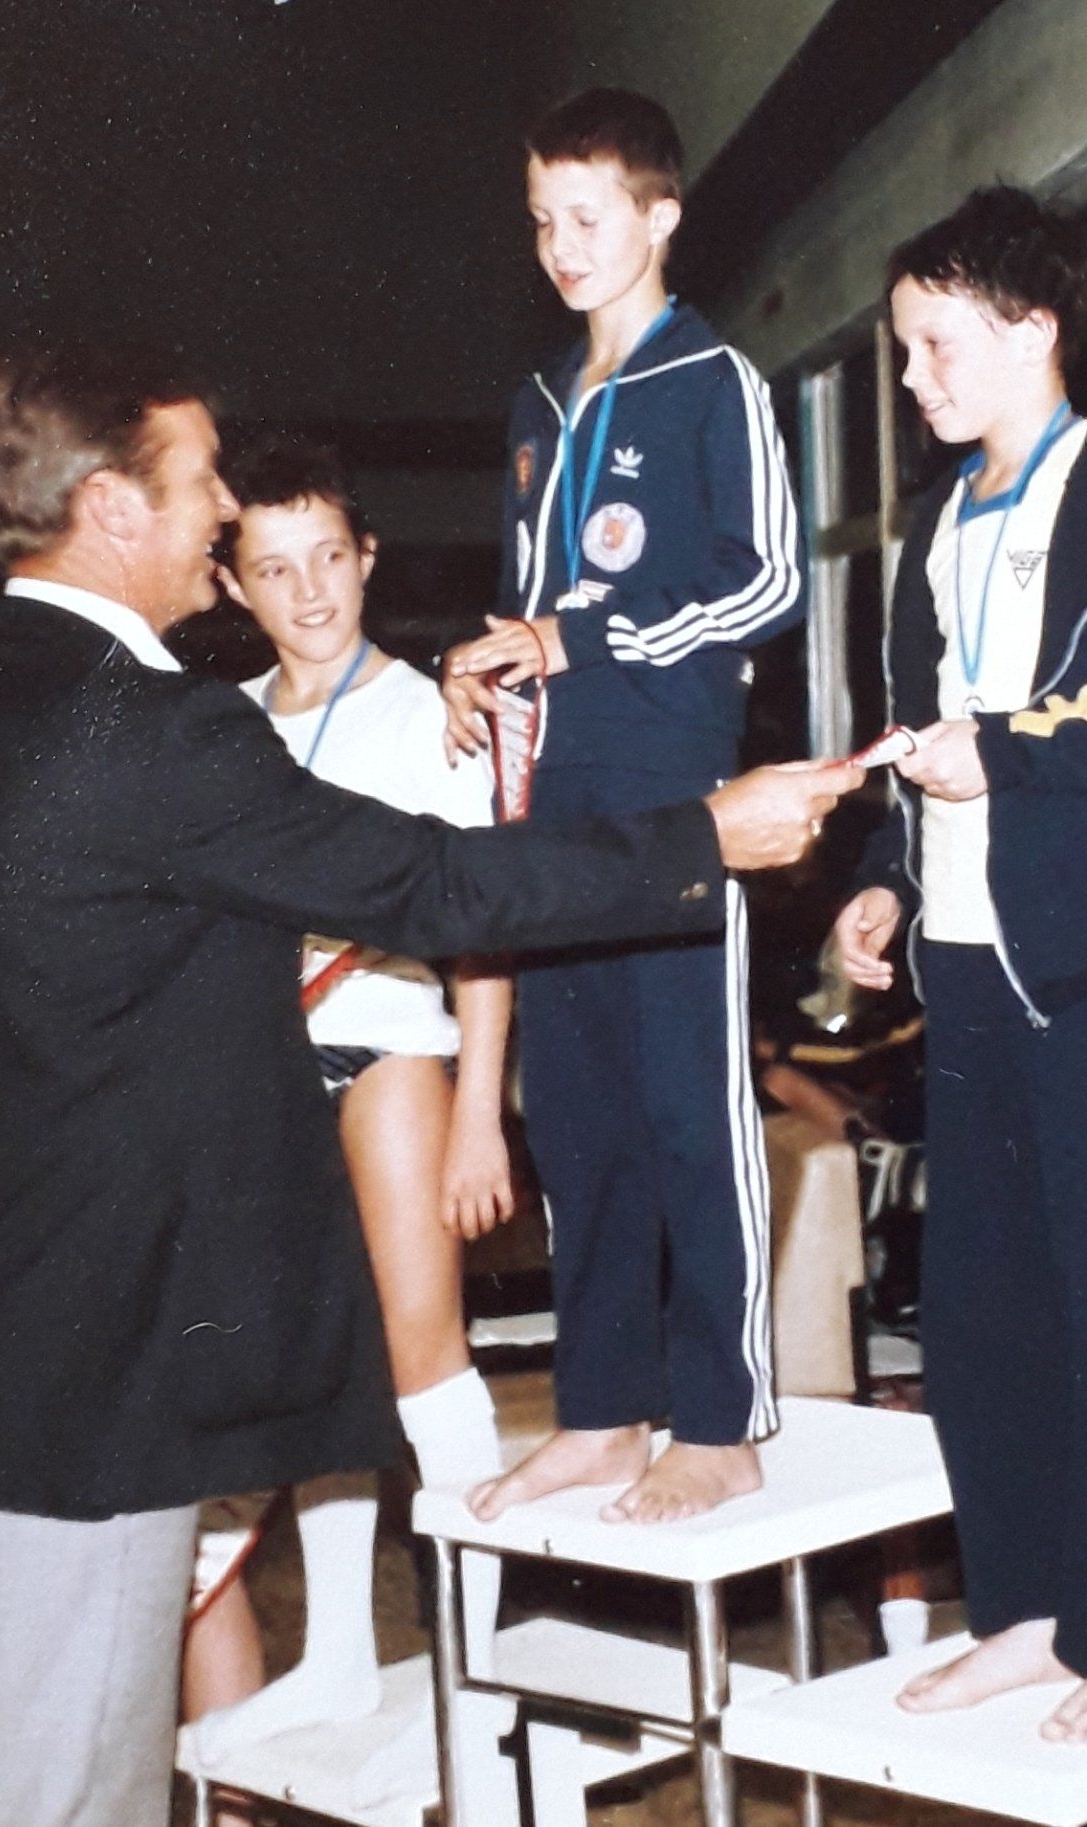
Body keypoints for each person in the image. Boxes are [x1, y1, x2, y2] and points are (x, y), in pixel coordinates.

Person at [0, 344, 855, 1827]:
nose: (225, 511)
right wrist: (708, 832)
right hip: (100, 1371)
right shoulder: (150, 725)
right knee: (65, 1788)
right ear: (113, 505)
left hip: (11, 1326)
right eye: (203, 483)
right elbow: (434, 885)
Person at [832, 186, 1087, 1742]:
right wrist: (885, 881)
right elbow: (918, 739)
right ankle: (1027, 1608)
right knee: (983, 1309)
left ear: (1033, 330)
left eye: (937, 344)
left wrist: (1008, 747)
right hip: (964, 961)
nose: (913, 377)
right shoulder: (941, 525)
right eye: (903, 349)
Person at [440, 87, 806, 1528]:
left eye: (588, 217)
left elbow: (765, 580)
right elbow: (534, 604)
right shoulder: (540, 401)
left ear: (661, 216)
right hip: (557, 793)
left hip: (675, 793)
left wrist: (579, 638)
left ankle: (722, 1419)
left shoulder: (716, 378)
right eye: (542, 220)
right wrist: (492, 672)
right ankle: (602, 1410)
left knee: (685, 1104)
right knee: (578, 1106)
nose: (561, 246)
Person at [180, 437, 515, 1807]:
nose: (310, 590)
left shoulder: (432, 715)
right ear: (231, 584)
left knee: (423, 1363)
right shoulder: (220, 725)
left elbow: (484, 924)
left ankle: (481, 1668)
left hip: (392, 1051)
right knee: (315, 1368)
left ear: (369, 557)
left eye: (330, 556)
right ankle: (336, 1657)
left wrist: (481, 1111)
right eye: (274, 568)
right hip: (260, 1074)